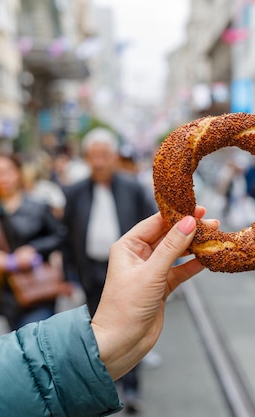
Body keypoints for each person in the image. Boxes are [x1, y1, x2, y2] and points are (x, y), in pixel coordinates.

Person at [0, 208, 215, 416]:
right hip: (12, 292)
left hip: (40, 289)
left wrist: (101, 342)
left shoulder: (36, 204)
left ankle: (131, 389)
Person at [62, 127, 156, 412]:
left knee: (132, 327)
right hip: (90, 271)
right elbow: (66, 235)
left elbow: (151, 225)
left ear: (114, 157)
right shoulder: (75, 192)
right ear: (87, 158)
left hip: (127, 270)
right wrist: (68, 275)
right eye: (94, 156)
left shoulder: (133, 188)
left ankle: (132, 388)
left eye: (105, 155)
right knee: (97, 332)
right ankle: (107, 385)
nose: (100, 161)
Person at [0, 153, 66, 331]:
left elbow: (59, 237)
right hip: (7, 293)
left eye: (7, 172)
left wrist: (34, 249)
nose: (2, 178)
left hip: (37, 288)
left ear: (18, 173)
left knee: (34, 342)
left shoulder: (38, 206)